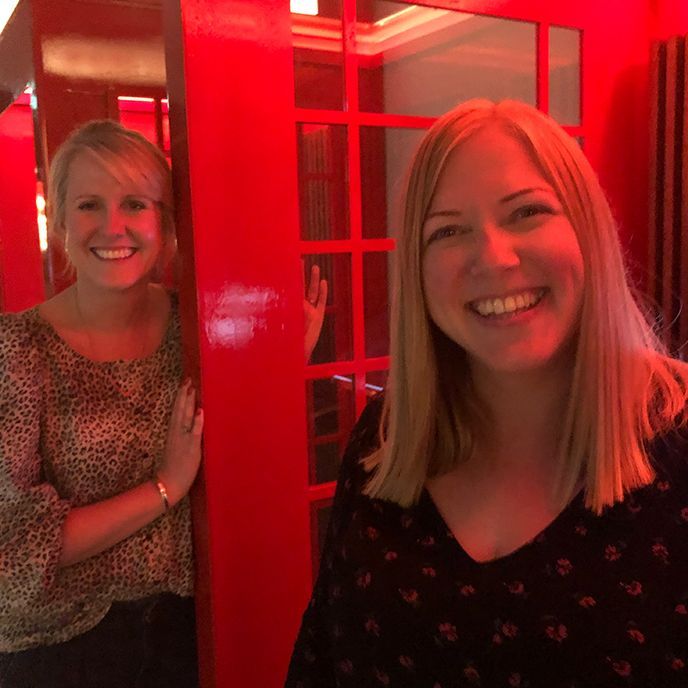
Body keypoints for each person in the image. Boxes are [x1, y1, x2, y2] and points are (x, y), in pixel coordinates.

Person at [285, 99, 688, 688]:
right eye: (448, 230)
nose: (493, 257)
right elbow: (320, 657)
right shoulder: (385, 437)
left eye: (527, 212)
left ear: (589, 229)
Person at [0, 119, 326, 688]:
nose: (113, 226)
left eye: (134, 203)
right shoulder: (18, 350)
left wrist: (278, 371)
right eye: (88, 205)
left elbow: (242, 473)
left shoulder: (197, 324)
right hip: (61, 650)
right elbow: (14, 555)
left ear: (166, 224)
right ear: (58, 222)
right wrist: (164, 488)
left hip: (192, 628)